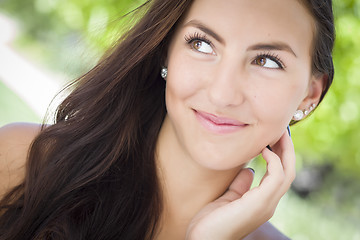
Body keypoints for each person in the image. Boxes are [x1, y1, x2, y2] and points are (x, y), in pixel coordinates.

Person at [0, 0, 335, 239]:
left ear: (310, 94)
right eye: (202, 45)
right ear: (166, 52)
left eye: (267, 61)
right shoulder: (22, 162)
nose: (222, 94)